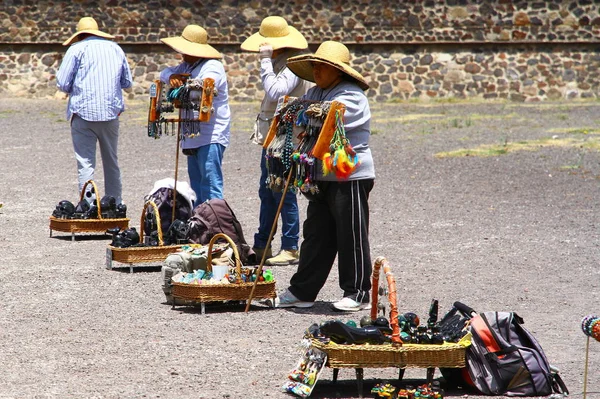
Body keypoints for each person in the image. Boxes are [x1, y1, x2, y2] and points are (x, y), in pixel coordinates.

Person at [272, 41, 375, 312]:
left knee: (350, 234)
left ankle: (359, 293)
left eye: (322, 66)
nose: (316, 71)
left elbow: (327, 120)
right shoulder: (317, 92)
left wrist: (297, 112)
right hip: (318, 175)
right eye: (315, 66)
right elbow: (296, 114)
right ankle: (302, 291)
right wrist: (295, 111)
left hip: (348, 176)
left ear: (337, 71)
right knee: (316, 235)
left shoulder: (352, 95)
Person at [240, 16, 312, 266]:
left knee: (284, 190)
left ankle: (290, 246)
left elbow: (275, 91)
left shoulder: (291, 65)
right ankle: (262, 244)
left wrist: (264, 61)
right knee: (267, 190)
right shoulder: (280, 62)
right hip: (274, 136)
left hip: (286, 137)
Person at [56, 17, 133, 204]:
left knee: (85, 163)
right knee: (111, 161)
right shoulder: (115, 48)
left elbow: (63, 83)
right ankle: (114, 204)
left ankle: (89, 206)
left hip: (83, 113)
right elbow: (127, 83)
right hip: (110, 113)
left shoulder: (76, 49)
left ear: (80, 35)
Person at [159, 25, 231, 206]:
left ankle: (216, 225)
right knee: (197, 186)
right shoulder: (187, 65)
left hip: (210, 135)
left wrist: (180, 84)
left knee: (211, 185)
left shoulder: (213, 67)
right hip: (192, 135)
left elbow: (202, 86)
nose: (182, 54)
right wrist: (172, 77)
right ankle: (202, 225)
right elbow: (164, 73)